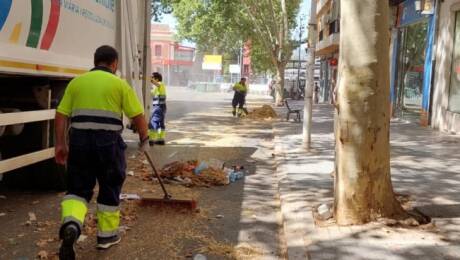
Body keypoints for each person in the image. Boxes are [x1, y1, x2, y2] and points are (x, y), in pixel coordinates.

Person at [54, 45, 149, 260]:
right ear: (114, 63)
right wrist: (145, 139)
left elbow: (61, 115)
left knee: (77, 189)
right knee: (110, 185)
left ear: (95, 61)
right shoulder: (119, 84)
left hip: (79, 141)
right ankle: (106, 237)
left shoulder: (76, 83)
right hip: (108, 144)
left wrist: (60, 144)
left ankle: (72, 226)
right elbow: (138, 116)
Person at [149, 72, 167, 145]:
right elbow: (151, 94)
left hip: (159, 107)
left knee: (154, 122)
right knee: (160, 123)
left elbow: (157, 84)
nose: (152, 79)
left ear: (157, 79)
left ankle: (152, 139)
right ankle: (161, 139)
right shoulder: (156, 88)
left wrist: (149, 79)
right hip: (161, 107)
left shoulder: (160, 84)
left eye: (153, 77)